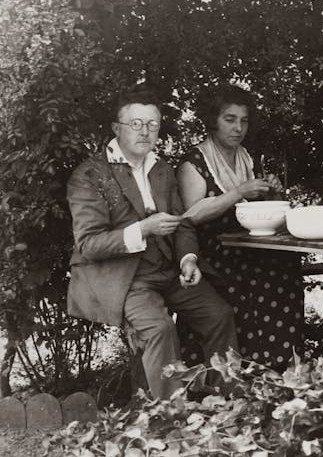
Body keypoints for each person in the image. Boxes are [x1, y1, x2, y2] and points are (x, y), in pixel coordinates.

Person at [66, 88, 238, 400]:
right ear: (117, 128)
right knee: (159, 330)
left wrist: (188, 259)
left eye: (153, 124)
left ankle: (224, 405)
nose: (145, 131)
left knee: (220, 314)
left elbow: (182, 221)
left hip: (170, 270)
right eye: (136, 124)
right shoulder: (90, 175)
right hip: (126, 280)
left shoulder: (161, 169)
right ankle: (170, 421)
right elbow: (89, 244)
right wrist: (143, 228)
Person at [176, 84, 305, 367]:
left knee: (285, 266)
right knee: (253, 282)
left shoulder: (245, 157)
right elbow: (190, 217)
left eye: (244, 121)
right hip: (213, 254)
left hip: (246, 247)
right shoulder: (194, 161)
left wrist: (270, 191)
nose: (238, 128)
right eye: (230, 119)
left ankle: (279, 365)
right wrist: (238, 192)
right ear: (213, 120)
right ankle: (241, 369)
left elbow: (255, 208)